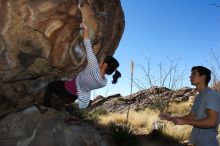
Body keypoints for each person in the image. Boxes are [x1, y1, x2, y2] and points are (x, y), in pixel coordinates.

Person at [43, 23, 121, 109]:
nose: (100, 60)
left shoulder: (93, 65)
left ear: (105, 65)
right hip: (74, 97)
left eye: (102, 60)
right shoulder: (103, 83)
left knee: (51, 85)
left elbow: (87, 44)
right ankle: (59, 105)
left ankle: (45, 107)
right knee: (61, 97)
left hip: (66, 89)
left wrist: (86, 29)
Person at [159, 66, 220, 146]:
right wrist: (171, 118)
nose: (190, 76)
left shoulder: (212, 95)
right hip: (197, 142)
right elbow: (191, 116)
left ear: (203, 77)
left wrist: (185, 121)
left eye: (194, 74)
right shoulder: (198, 96)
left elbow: (212, 122)